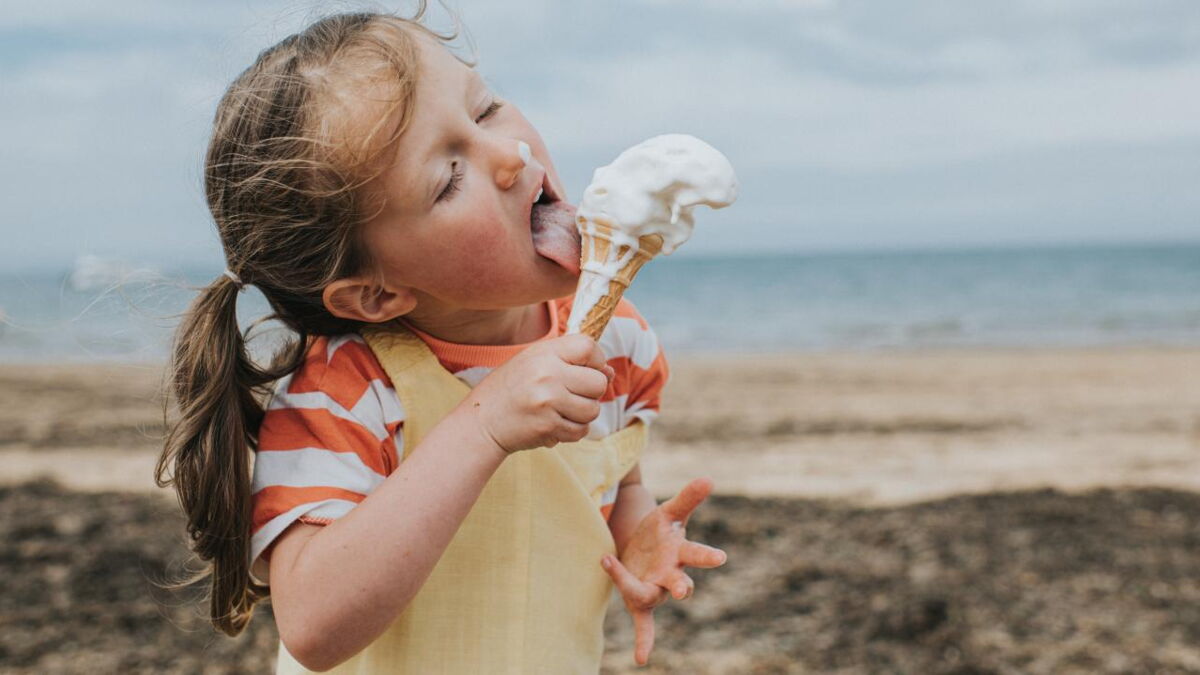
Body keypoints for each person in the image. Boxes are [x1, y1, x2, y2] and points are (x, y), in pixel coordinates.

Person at [157, 7, 727, 673]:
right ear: (377, 292)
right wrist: (484, 426)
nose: (509, 155)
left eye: (485, 109)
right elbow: (312, 624)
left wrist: (635, 537)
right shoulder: (349, 386)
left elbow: (613, 483)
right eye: (447, 178)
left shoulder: (620, 339)